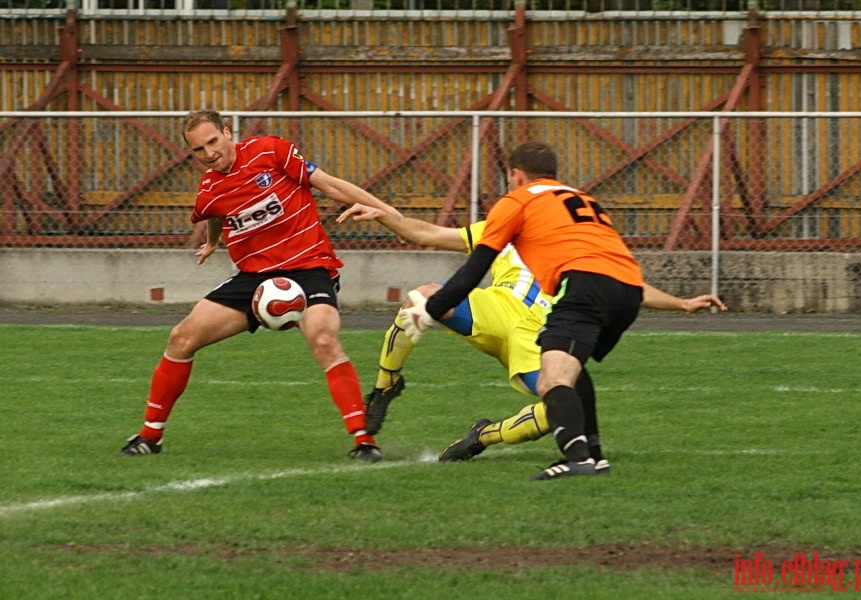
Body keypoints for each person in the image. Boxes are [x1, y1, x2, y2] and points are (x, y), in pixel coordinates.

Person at [336, 201, 726, 472]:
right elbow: (428, 234)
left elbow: (630, 285)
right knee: (421, 298)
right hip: (494, 310)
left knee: (558, 410)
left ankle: (483, 435)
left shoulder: (577, 248)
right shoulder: (503, 230)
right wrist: (383, 215)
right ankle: (386, 386)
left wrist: (682, 304)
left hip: (542, 336)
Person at [119, 109, 399, 462]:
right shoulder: (208, 188)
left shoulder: (271, 151)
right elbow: (216, 214)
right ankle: (149, 437)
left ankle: (364, 440)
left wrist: (388, 211)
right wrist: (213, 242)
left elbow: (328, 184)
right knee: (181, 338)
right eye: (198, 150)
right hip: (253, 280)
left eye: (213, 142)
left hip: (309, 268)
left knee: (324, 339)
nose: (209, 153)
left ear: (226, 131)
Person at [397, 142, 649, 480]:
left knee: (553, 379)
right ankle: (595, 455)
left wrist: (431, 310)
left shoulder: (517, 200)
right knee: (573, 371)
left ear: (516, 175)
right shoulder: (583, 200)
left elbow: (473, 271)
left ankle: (577, 459)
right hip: (630, 288)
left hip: (584, 287)